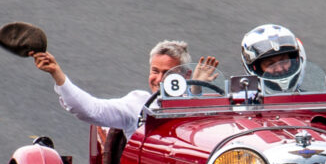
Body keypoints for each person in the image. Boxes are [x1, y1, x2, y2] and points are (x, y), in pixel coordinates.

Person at [33, 41, 219, 136]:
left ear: (184, 77)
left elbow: (194, 117)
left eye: (169, 73)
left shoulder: (204, 103)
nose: (160, 79)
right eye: (155, 71)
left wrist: (196, 88)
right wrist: (57, 74)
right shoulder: (137, 104)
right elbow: (90, 110)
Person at [240, 24, 306, 91]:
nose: (279, 69)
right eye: (270, 64)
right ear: (256, 68)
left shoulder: (312, 99)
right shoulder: (246, 100)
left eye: (284, 61)